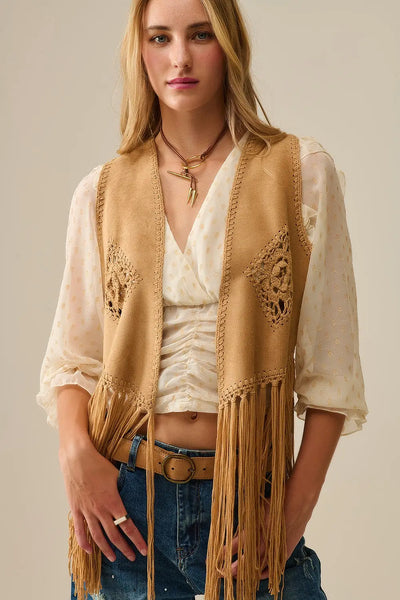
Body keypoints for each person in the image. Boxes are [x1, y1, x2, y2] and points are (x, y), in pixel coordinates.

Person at [36, 0, 368, 599]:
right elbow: (73, 358)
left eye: (200, 35)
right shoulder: (101, 191)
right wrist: (75, 456)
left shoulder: (301, 172)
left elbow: (331, 373)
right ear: (139, 51)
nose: (180, 58)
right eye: (160, 38)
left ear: (231, 44)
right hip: (124, 510)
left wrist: (288, 519)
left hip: (247, 505)